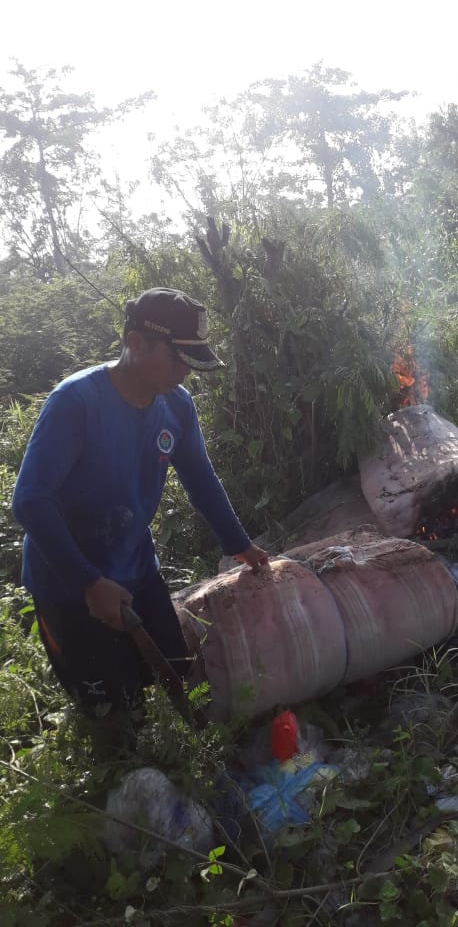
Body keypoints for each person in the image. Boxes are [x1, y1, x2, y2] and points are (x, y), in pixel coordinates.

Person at [11, 287, 269, 738]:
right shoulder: (76, 403)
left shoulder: (175, 406)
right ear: (136, 343)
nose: (185, 373)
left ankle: (186, 770)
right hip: (69, 586)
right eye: (177, 360)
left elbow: (201, 480)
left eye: (191, 362)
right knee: (112, 711)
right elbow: (30, 499)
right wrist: (89, 583)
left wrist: (240, 544)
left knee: (179, 675)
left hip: (135, 566)